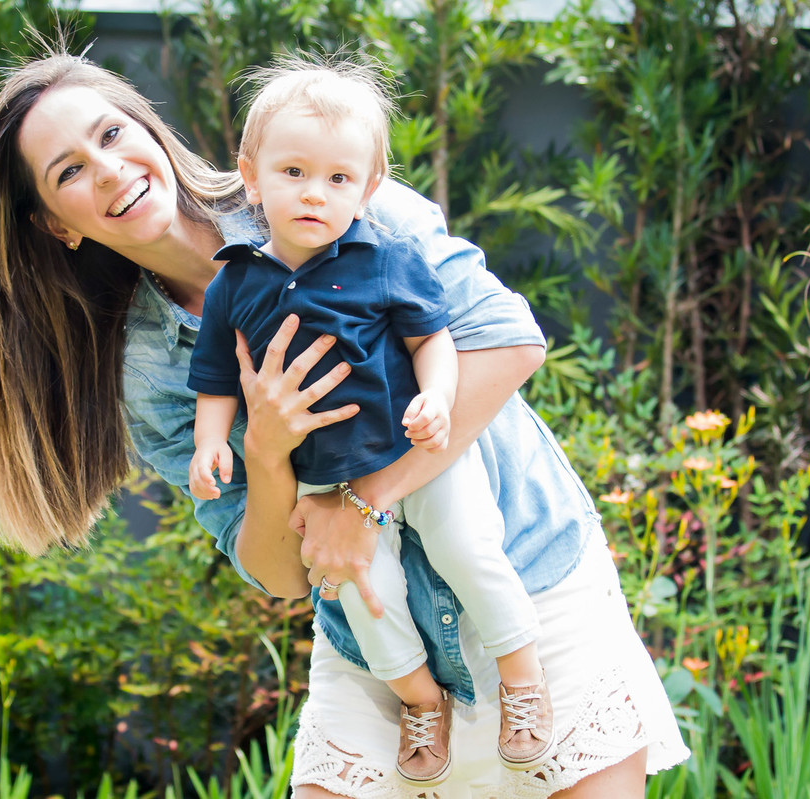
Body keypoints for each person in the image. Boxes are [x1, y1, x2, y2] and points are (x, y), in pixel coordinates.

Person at [0, 44, 689, 799]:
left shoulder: (331, 186)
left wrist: (362, 501)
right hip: (375, 641)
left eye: (109, 134)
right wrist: (265, 451)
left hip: (527, 583)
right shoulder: (148, 368)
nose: (107, 169)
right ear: (54, 224)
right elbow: (277, 571)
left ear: (150, 131)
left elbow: (509, 343)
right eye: (67, 171)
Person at [187, 58, 552, 786]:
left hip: (418, 451)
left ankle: (522, 674)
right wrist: (207, 443)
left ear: (368, 188)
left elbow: (433, 340)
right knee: (361, 587)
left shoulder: (387, 258)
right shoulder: (235, 278)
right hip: (329, 482)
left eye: (338, 179)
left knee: (466, 546)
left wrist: (438, 397)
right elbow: (217, 376)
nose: (314, 193)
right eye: (293, 172)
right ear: (251, 177)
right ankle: (422, 699)